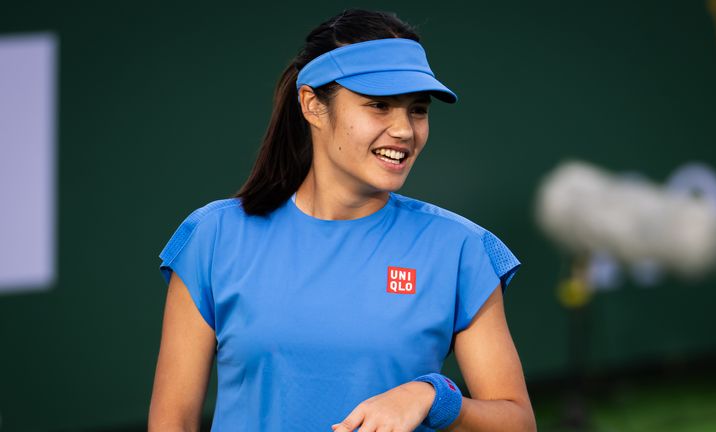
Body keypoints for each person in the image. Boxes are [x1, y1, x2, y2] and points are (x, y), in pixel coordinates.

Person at [148, 8, 536, 432]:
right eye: (379, 105)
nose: (404, 130)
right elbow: (173, 422)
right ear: (313, 105)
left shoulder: (462, 249)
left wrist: (431, 396)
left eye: (417, 109)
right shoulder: (213, 237)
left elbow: (517, 422)